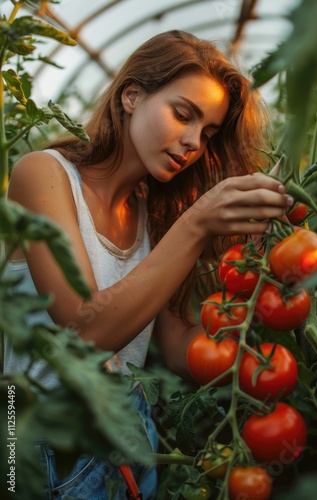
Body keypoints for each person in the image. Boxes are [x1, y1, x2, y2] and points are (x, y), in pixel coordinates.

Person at [3, 30, 294, 499]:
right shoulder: (44, 174)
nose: (193, 141)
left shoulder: (151, 215)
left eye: (209, 132)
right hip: (42, 441)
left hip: (133, 440)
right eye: (183, 114)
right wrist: (197, 224)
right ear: (132, 96)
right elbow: (84, 329)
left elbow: (177, 348)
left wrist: (267, 339)